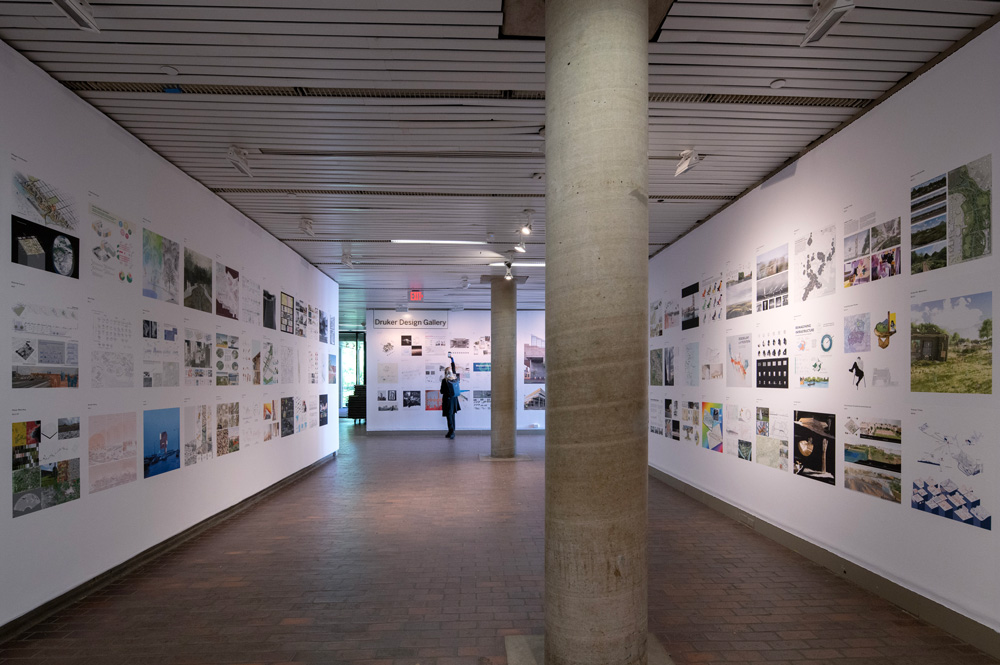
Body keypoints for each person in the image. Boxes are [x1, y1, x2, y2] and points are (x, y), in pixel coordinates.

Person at [440, 354, 460, 438]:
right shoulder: (455, 378)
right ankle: (451, 431)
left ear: (445, 373)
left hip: (448, 400)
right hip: (454, 400)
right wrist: (452, 359)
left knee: (449, 416)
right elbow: (454, 370)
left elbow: (442, 391)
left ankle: (451, 432)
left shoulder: (445, 381)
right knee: (452, 415)